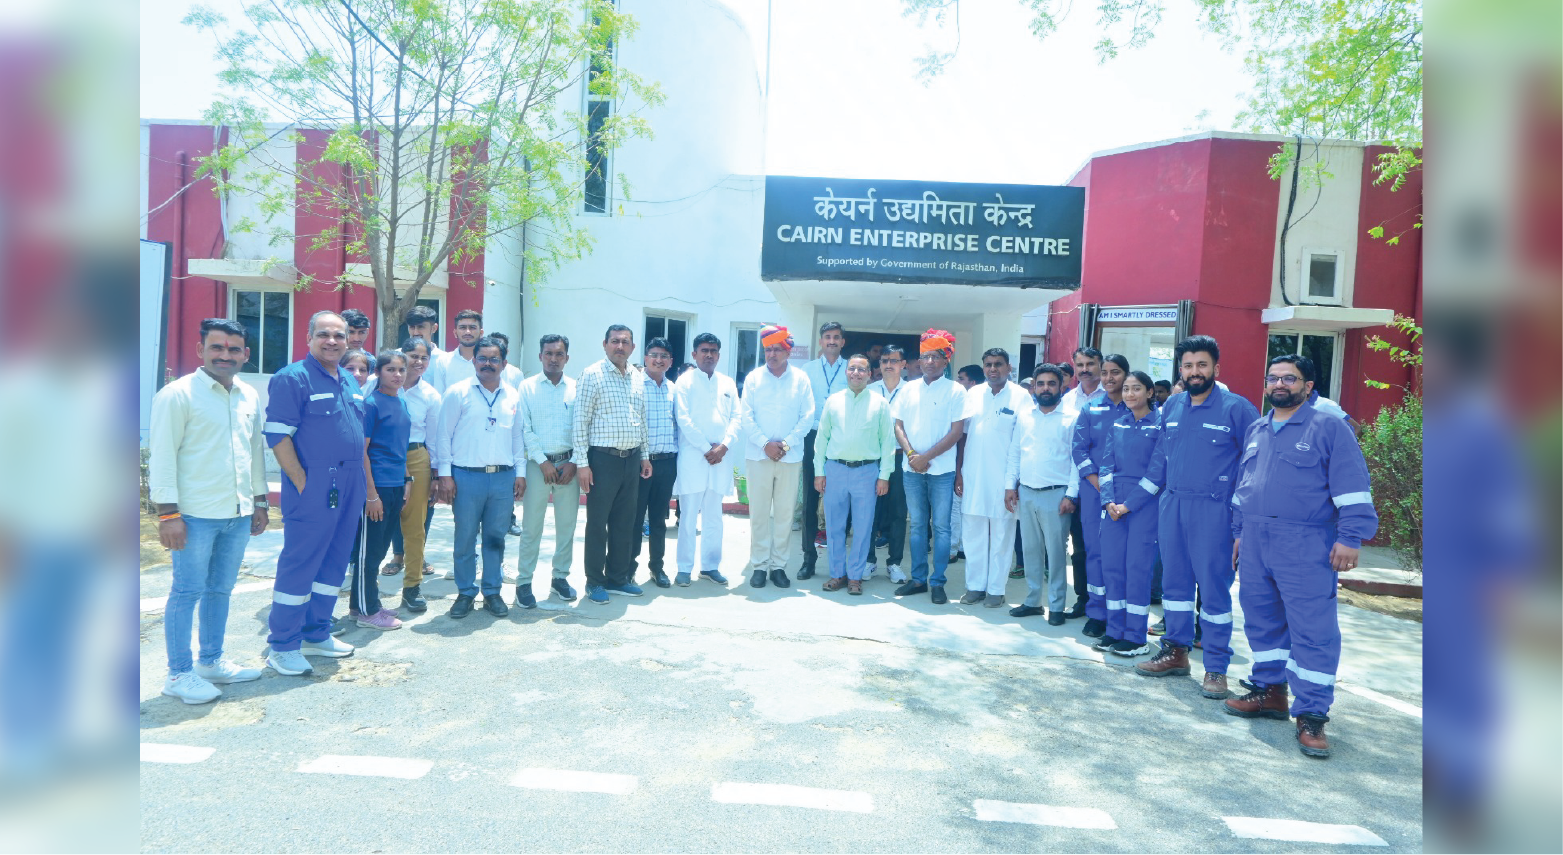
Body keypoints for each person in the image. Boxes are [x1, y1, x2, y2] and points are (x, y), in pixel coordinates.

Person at [1222, 355, 1377, 758]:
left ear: (1308, 387)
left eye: (1289, 378)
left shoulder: (1329, 428)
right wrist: (1239, 533)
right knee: (1261, 618)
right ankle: (1269, 691)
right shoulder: (1258, 429)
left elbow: (1352, 486)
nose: (1279, 384)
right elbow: (1244, 485)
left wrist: (1351, 537)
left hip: (1306, 542)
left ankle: (1312, 714)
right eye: (1273, 377)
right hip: (1256, 539)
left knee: (1313, 629)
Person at [148, 318, 269, 703]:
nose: (225, 355)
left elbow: (254, 453)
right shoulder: (177, 395)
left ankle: (211, 661)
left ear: (245, 354)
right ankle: (178, 673)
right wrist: (168, 514)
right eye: (217, 347)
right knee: (187, 591)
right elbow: (163, 456)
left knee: (221, 589)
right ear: (201, 350)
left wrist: (259, 501)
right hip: (194, 515)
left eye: (233, 349)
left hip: (237, 514)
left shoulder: (248, 395)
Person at [1134, 335, 1260, 701]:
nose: (1194, 372)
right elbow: (1160, 459)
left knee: (1213, 590)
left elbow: (1252, 468)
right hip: (1172, 506)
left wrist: (1241, 523)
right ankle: (1175, 651)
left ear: (1216, 368)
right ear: (1180, 369)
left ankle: (1216, 666)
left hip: (1214, 511)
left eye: (1202, 365)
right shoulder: (1172, 405)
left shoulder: (1238, 409)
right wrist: (1134, 502)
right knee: (1174, 585)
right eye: (1188, 365)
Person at [262, 311, 363, 675]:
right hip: (316, 482)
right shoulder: (292, 378)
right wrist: (301, 481)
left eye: (339, 335)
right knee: (301, 562)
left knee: (334, 560)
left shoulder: (348, 379)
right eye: (324, 334)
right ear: (308, 338)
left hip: (350, 481)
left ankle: (316, 633)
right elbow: (278, 435)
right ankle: (283, 645)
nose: (332, 341)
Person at [433, 336, 526, 619]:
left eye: (494, 359)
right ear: (474, 361)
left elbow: (518, 438)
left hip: (502, 478)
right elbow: (443, 436)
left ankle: (492, 592)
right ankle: (465, 593)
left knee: (496, 538)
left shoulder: (513, 395)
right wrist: (445, 476)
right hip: (466, 477)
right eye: (482, 358)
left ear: (504, 363)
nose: (487, 364)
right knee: (465, 538)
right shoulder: (457, 392)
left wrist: (520, 473)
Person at [574, 324, 653, 605]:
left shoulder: (637, 376)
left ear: (633, 347)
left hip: (631, 459)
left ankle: (618, 578)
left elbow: (641, 418)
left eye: (625, 342)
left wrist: (644, 455)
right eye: (615, 341)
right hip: (602, 460)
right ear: (605, 344)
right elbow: (580, 420)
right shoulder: (592, 374)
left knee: (624, 522)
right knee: (598, 523)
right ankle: (595, 581)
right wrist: (582, 464)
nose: (620, 346)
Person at [954, 348, 1035, 608]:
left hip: (1005, 479)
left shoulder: (1021, 397)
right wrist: (959, 472)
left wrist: (1015, 483)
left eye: (998, 364)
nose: (993, 369)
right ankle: (975, 587)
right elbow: (962, 436)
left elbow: (1025, 441)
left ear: (1009, 368)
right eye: (988, 364)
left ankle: (996, 590)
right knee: (973, 534)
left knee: (1002, 536)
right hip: (973, 475)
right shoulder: (973, 394)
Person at [891, 330, 966, 605]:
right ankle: (918, 579)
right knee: (918, 525)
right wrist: (913, 455)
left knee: (942, 527)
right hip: (911, 470)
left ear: (946, 360)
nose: (930, 362)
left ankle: (938, 582)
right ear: (919, 361)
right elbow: (898, 425)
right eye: (926, 356)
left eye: (936, 357)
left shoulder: (956, 391)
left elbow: (956, 432)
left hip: (942, 471)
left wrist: (926, 457)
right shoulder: (907, 389)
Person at [1003, 363, 1079, 625]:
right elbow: (1015, 453)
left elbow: (1077, 460)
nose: (1046, 388)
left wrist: (1071, 495)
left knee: (1056, 555)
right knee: (1031, 550)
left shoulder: (1072, 418)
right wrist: (1010, 486)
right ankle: (1033, 601)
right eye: (1041, 384)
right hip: (1026, 492)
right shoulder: (1025, 416)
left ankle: (1056, 606)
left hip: (1056, 495)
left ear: (1061, 386)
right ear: (1034, 387)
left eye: (1051, 384)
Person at [739, 325, 814, 589]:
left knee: (784, 514)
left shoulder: (801, 379)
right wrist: (764, 444)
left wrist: (786, 444)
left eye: (777, 350)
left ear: (788, 352)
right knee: (759, 513)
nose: (772, 354)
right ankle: (759, 566)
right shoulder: (754, 378)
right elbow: (745, 416)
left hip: (789, 457)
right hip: (758, 456)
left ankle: (779, 566)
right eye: (768, 350)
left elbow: (808, 416)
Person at [815, 354, 896, 595]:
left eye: (862, 369)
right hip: (835, 469)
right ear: (846, 372)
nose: (856, 373)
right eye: (852, 368)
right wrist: (819, 472)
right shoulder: (833, 401)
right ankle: (837, 574)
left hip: (867, 472)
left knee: (863, 527)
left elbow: (887, 442)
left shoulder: (880, 403)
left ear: (870, 374)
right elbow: (822, 439)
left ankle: (855, 576)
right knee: (834, 526)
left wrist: (884, 475)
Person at [1095, 371, 1162, 657]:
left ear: (1150, 392)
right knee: (1112, 568)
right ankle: (1115, 631)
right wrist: (1109, 501)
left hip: (1143, 507)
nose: (1130, 394)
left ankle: (1135, 636)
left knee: (1137, 569)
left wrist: (1128, 505)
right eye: (1126, 389)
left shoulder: (1160, 425)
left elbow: (1158, 471)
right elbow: (1106, 466)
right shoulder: (1118, 424)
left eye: (1136, 389)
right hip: (1114, 508)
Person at [514, 334, 582, 607]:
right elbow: (525, 428)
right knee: (531, 527)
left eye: (559, 354)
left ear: (567, 357)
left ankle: (560, 578)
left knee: (567, 527)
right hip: (537, 465)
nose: (554, 359)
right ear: (540, 356)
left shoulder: (576, 388)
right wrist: (542, 461)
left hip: (568, 467)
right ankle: (523, 582)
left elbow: (583, 428)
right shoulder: (527, 387)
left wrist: (574, 461)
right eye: (548, 354)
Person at [346, 349, 410, 631]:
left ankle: (360, 604)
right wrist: (371, 495)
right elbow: (362, 451)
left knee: (380, 549)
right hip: (377, 487)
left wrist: (407, 480)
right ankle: (367, 612)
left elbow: (400, 446)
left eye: (401, 370)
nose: (397, 375)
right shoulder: (371, 404)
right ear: (378, 373)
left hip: (396, 485)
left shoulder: (401, 402)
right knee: (368, 552)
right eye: (390, 370)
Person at [672, 333, 740, 587]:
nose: (709, 355)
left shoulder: (727, 383)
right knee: (688, 516)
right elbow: (683, 419)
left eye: (713, 351)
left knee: (714, 517)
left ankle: (710, 566)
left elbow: (737, 418)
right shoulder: (684, 382)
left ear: (719, 355)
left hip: (720, 458)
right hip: (693, 457)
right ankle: (684, 568)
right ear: (694, 354)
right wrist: (705, 447)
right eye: (704, 350)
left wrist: (724, 446)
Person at [1070, 352, 1129, 637]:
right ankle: (1096, 613)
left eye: (1115, 372)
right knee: (1095, 552)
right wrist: (1101, 486)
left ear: (1126, 375)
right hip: (1094, 493)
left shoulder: (1139, 408)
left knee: (1125, 555)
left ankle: (1122, 613)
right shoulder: (1090, 408)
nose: (1108, 378)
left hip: (1128, 496)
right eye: (1104, 372)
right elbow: (1079, 451)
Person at [390, 337, 440, 612]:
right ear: (402, 354)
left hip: (417, 456)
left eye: (424, 357)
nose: (418, 362)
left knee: (414, 525)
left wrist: (436, 475)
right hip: (383, 456)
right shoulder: (380, 384)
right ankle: (366, 590)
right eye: (413, 355)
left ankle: (412, 587)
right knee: (378, 520)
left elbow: (434, 438)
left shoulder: (430, 395)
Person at [798, 322, 848, 578]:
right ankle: (809, 558)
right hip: (812, 436)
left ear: (842, 342)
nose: (832, 341)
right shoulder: (807, 370)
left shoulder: (851, 369)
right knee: (810, 498)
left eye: (836, 337)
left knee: (839, 500)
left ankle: (838, 561)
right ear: (821, 341)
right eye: (827, 337)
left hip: (841, 438)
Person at [632, 337, 679, 587]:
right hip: (641, 464)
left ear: (670, 362)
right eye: (654, 355)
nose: (658, 360)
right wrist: (642, 458)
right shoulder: (635, 385)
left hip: (667, 463)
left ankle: (657, 568)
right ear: (645, 358)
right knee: (635, 518)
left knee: (659, 520)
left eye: (664, 356)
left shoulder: (674, 390)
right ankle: (628, 569)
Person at [866, 345, 910, 583]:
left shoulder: (912, 391)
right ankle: (869, 561)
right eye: (884, 361)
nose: (888, 365)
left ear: (903, 364)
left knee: (898, 512)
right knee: (869, 511)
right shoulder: (869, 390)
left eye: (894, 360)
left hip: (900, 457)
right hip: (873, 458)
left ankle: (894, 563)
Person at [949, 363, 983, 562]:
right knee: (960, 505)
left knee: (961, 505)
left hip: (969, 463)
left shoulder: (972, 404)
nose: (957, 382)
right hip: (965, 463)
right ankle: (957, 547)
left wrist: (959, 470)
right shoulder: (962, 401)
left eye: (961, 378)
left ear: (973, 383)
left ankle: (957, 547)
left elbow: (962, 439)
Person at [426, 309, 484, 392]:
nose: (467, 332)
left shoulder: (488, 363)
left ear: (481, 333)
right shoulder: (443, 362)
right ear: (455, 333)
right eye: (463, 327)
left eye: (472, 327)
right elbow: (439, 396)